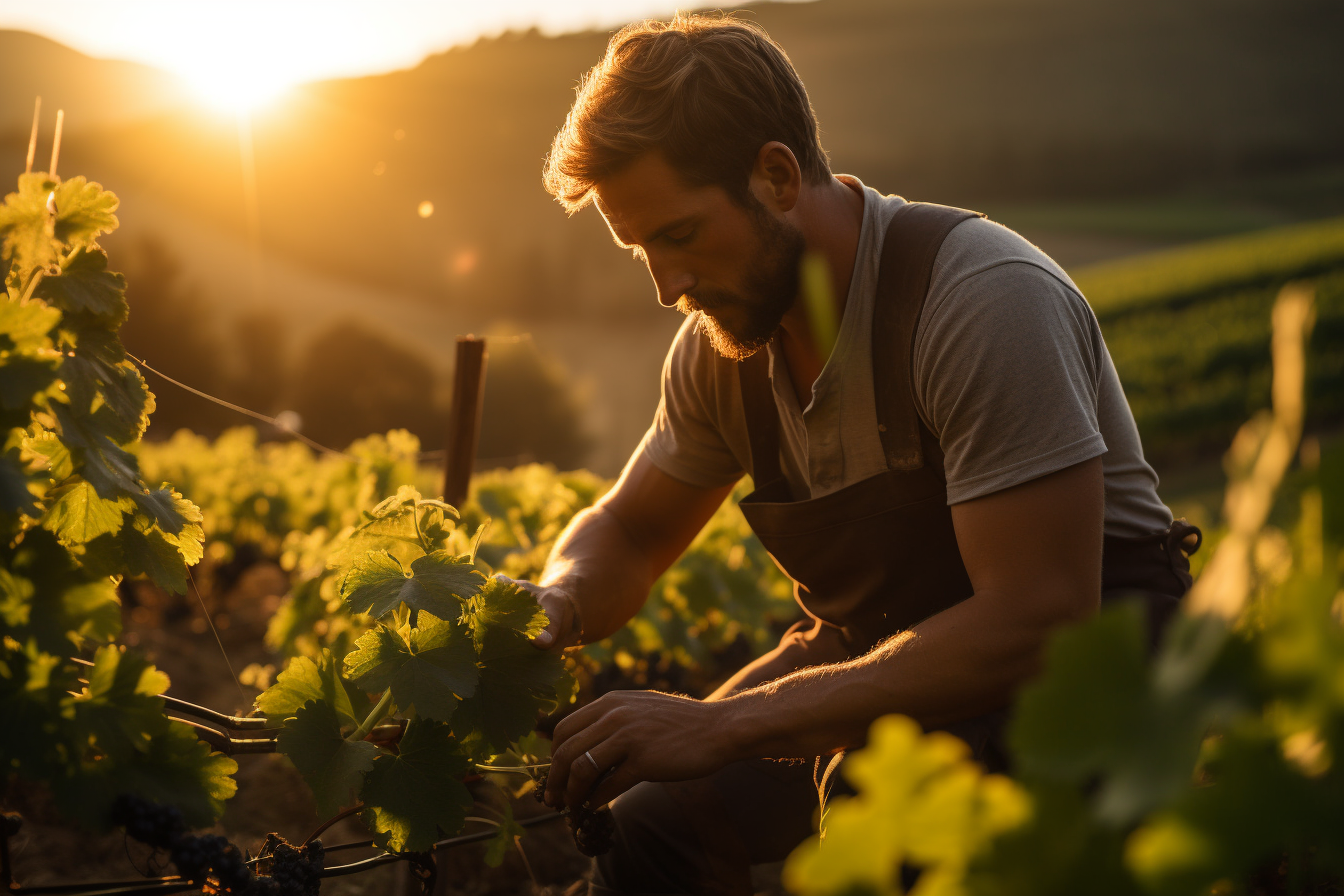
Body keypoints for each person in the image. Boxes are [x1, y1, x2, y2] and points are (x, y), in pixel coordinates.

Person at [510, 13, 1199, 894]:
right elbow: (632, 531)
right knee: (647, 826)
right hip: (882, 670)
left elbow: (1039, 617)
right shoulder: (724, 348)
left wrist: (728, 723)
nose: (666, 287)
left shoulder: (980, 302)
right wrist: (558, 602)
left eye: (679, 235)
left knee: (881, 837)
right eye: (639, 248)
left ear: (777, 175)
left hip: (1084, 676)